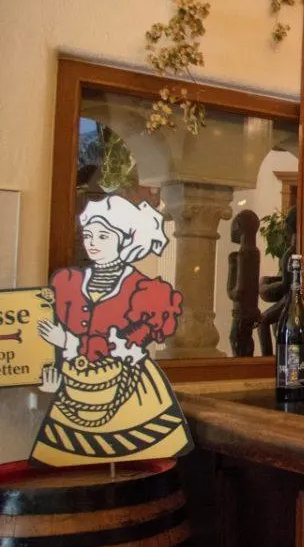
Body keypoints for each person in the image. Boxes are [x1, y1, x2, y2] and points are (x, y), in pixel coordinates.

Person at [32, 195, 190, 466]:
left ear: (125, 239)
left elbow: (124, 346)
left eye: (103, 236)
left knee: (134, 462)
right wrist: (53, 381)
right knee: (70, 459)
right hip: (74, 387)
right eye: (89, 236)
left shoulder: (145, 291)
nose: (93, 243)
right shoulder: (70, 283)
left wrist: (69, 342)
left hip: (129, 389)